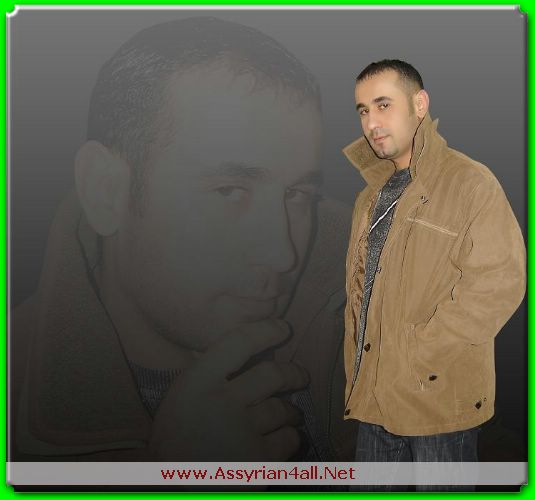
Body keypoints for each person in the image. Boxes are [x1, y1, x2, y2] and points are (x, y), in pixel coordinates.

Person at [12, 17, 356, 464]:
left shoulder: (389, 330)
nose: (282, 255)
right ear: (105, 190)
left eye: (297, 195)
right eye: (229, 192)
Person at [342, 59, 525, 490]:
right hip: (372, 399)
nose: (371, 123)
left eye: (383, 105)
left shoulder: (469, 182)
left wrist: (419, 354)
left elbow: (500, 281)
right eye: (363, 110)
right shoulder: (370, 195)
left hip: (437, 399)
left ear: (419, 104)